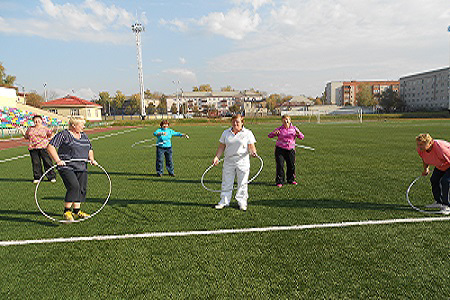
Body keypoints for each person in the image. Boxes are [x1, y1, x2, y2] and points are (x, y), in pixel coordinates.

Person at [47, 116, 97, 221]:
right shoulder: (64, 134)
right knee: (74, 186)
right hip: (66, 166)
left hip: (82, 166)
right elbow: (50, 146)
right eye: (81, 124)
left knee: (81, 188)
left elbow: (89, 148)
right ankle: (67, 211)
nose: (83, 126)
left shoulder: (83, 135)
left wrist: (91, 159)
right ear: (73, 125)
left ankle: (76, 211)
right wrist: (58, 160)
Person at [212, 114, 257, 211]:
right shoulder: (226, 133)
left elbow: (251, 146)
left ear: (242, 122)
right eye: (233, 121)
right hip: (229, 161)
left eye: (237, 121)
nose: (235, 123)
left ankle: (242, 202)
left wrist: (253, 152)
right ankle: (224, 201)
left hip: (242, 161)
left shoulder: (248, 133)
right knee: (226, 182)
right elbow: (221, 147)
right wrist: (217, 157)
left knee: (243, 183)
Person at [416, 133, 450, 215]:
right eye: (418, 144)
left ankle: (447, 205)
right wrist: (426, 169)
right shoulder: (421, 150)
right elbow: (424, 159)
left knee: (445, 181)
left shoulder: (440, 148)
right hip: (441, 165)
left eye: (422, 144)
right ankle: (438, 201)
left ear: (430, 143)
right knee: (434, 179)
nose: (420, 147)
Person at [268, 115, 304, 187]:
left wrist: (298, 134)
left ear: (290, 120)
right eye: (284, 120)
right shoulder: (280, 129)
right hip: (280, 149)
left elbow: (302, 137)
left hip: (290, 149)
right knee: (280, 165)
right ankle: (279, 181)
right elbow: (269, 135)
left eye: (287, 120)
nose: (286, 121)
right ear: (282, 121)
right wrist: (274, 133)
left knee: (291, 165)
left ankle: (291, 180)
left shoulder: (294, 129)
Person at [19, 115, 56, 183]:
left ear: (41, 121)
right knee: (36, 163)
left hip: (43, 147)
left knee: (47, 162)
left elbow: (51, 135)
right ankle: (37, 177)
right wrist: (22, 131)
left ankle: (51, 176)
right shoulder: (30, 128)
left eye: (38, 120)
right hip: (33, 148)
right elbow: (26, 137)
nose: (37, 122)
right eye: (35, 121)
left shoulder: (45, 128)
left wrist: (52, 134)